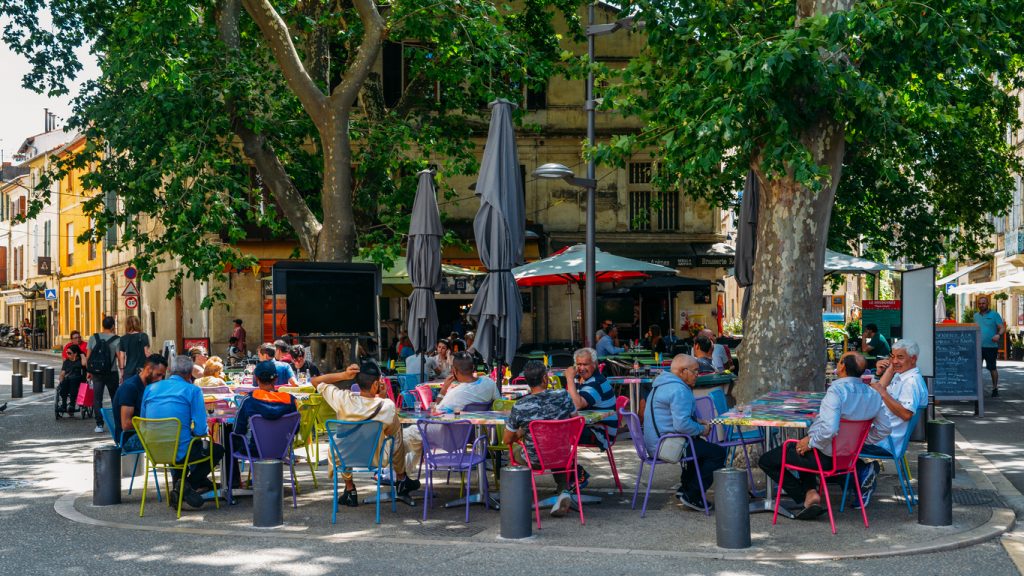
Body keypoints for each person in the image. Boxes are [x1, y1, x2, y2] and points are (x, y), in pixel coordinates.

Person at [758, 352, 890, 519]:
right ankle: (811, 491)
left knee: (767, 460)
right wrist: (858, 441)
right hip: (849, 458)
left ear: (841, 366)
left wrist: (811, 442)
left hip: (824, 458)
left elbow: (829, 429)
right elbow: (884, 428)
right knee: (804, 443)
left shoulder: (836, 392)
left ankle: (803, 495)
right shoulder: (873, 395)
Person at [315, 360, 420, 506]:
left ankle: (350, 489)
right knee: (396, 434)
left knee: (341, 446)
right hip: (376, 458)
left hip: (345, 457)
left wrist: (344, 375)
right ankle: (402, 478)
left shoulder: (342, 398)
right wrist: (382, 399)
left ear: (357, 383)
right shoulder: (387, 406)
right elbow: (391, 432)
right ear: (376, 384)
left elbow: (314, 381)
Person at [643, 354, 727, 511]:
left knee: (700, 446)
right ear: (682, 371)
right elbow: (682, 425)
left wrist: (696, 421)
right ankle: (693, 495)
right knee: (717, 453)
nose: (697, 375)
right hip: (666, 447)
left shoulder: (662, 384)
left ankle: (686, 488)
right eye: (695, 371)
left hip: (656, 444)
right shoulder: (679, 389)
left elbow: (676, 419)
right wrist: (703, 429)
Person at [141, 355, 224, 509]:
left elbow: (144, 420)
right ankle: (187, 486)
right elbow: (200, 430)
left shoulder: (149, 389)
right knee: (217, 449)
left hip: (154, 448)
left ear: (170, 371)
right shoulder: (192, 390)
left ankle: (180, 488)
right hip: (180, 449)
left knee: (182, 441)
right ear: (189, 374)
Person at [856, 339, 929, 507]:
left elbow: (905, 413)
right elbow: (879, 387)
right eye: (892, 356)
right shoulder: (903, 376)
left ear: (913, 359)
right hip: (884, 436)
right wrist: (888, 369)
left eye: (900, 357)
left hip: (885, 441)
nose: (895, 361)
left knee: (834, 440)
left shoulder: (910, 383)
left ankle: (861, 475)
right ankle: (862, 473)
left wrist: (883, 393)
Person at [503, 360, 579, 517]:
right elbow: (575, 420)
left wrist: (521, 432)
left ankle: (524, 503)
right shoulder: (563, 396)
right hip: (564, 455)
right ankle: (564, 490)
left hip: (535, 458)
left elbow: (506, 439)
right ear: (545, 378)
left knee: (514, 452)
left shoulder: (520, 405)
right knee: (555, 444)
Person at [562, 347, 619, 485]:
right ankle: (569, 478)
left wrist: (569, 378)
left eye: (585, 364)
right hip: (589, 426)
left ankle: (576, 475)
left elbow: (577, 404)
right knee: (555, 434)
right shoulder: (583, 381)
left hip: (600, 432)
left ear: (594, 364)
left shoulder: (596, 382)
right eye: (578, 364)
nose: (581, 368)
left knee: (558, 436)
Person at [233, 360, 297, 454]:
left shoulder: (249, 400)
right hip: (282, 450)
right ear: (276, 379)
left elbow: (238, 430)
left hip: (255, 451)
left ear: (257, 379)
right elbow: (296, 428)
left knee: (232, 437)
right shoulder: (290, 400)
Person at [111, 354, 168, 451]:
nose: (160, 379)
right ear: (148, 369)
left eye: (163, 376)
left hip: (143, 433)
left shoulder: (148, 386)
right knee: (175, 440)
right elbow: (126, 424)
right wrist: (154, 424)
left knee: (179, 436)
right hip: (129, 438)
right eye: (158, 375)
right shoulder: (130, 387)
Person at [87, 316, 121, 434]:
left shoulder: (93, 338)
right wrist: (122, 371)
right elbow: (119, 357)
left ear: (103, 325)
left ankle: (99, 424)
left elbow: (89, 356)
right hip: (111, 372)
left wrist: (89, 371)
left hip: (97, 372)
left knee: (97, 399)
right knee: (115, 398)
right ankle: (117, 423)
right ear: (113, 326)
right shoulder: (117, 339)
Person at [436, 352, 500, 411]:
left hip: (462, 423)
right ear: (473, 367)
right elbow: (499, 403)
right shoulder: (489, 382)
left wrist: (444, 389)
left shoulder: (455, 394)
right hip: (484, 422)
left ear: (454, 370)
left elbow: (437, 410)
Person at [974, 296, 1005, 396]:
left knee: (992, 368)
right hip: (977, 346)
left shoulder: (994, 315)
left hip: (991, 346)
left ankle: (995, 388)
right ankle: (976, 389)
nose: (981, 305)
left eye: (983, 303)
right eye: (979, 303)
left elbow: (1002, 328)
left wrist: (998, 335)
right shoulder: (976, 316)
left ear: (987, 304)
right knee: (976, 368)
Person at [57, 344, 87, 417]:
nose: (67, 354)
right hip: (68, 379)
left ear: (75, 353)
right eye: (67, 353)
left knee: (73, 381)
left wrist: (82, 354)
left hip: (79, 379)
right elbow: (63, 372)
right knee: (64, 383)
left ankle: (72, 404)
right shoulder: (66, 362)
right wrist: (61, 379)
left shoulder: (80, 361)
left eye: (69, 353)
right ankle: (64, 404)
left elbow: (84, 363)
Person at [118, 315, 151, 381]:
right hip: (142, 370)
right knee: (142, 389)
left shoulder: (123, 338)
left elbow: (122, 356)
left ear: (127, 325)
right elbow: (146, 353)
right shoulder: (143, 336)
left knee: (129, 389)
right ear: (138, 324)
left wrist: (122, 371)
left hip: (128, 370)